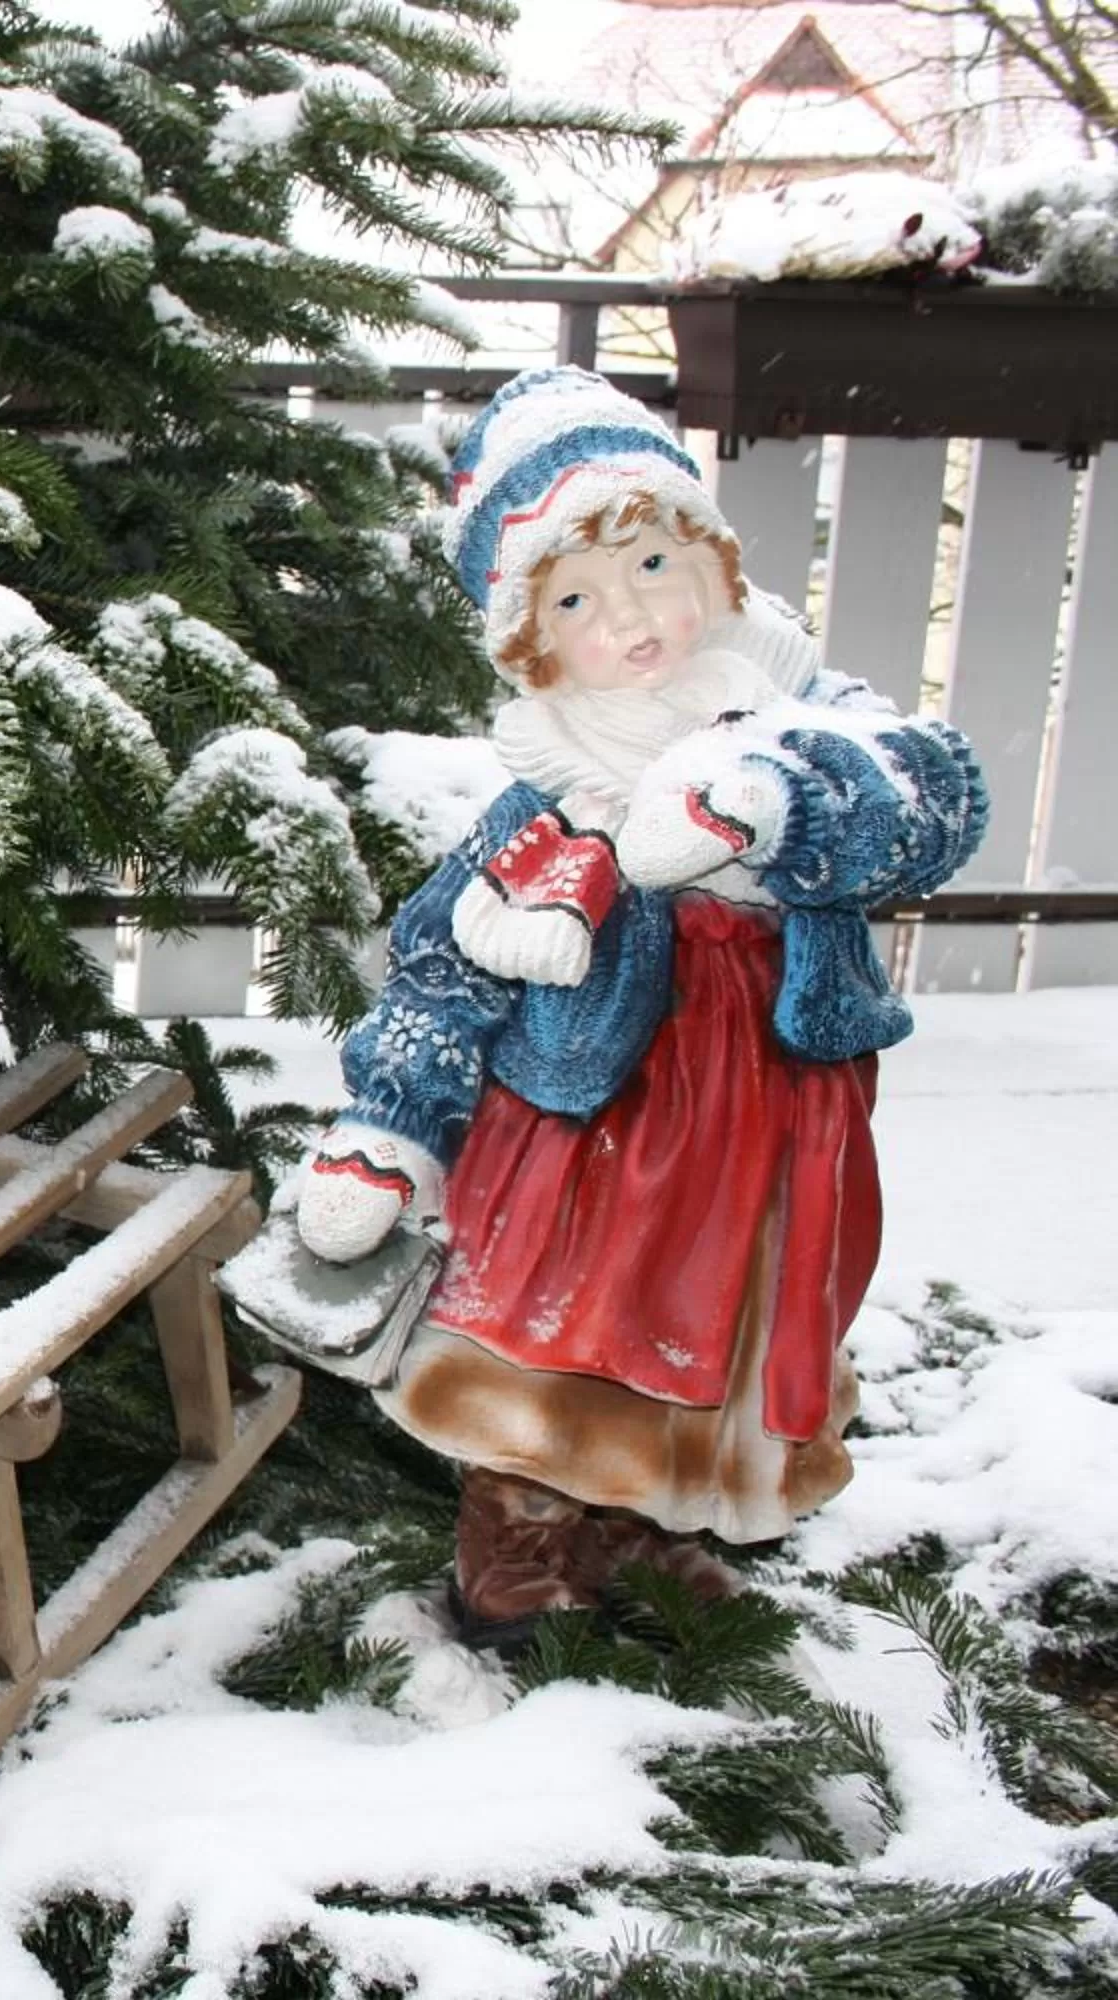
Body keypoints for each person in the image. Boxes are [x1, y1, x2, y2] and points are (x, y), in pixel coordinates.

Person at [294, 367, 987, 1646]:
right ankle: (522, 1545)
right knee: (568, 1325)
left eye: (656, 565)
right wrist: (390, 1126)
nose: (632, 618)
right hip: (597, 1127)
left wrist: (775, 803)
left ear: (713, 561)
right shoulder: (558, 790)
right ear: (533, 639)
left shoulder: (813, 717)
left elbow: (930, 802)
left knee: (714, 1319)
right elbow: (445, 967)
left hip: (771, 1108)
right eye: (577, 599)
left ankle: (647, 1518)